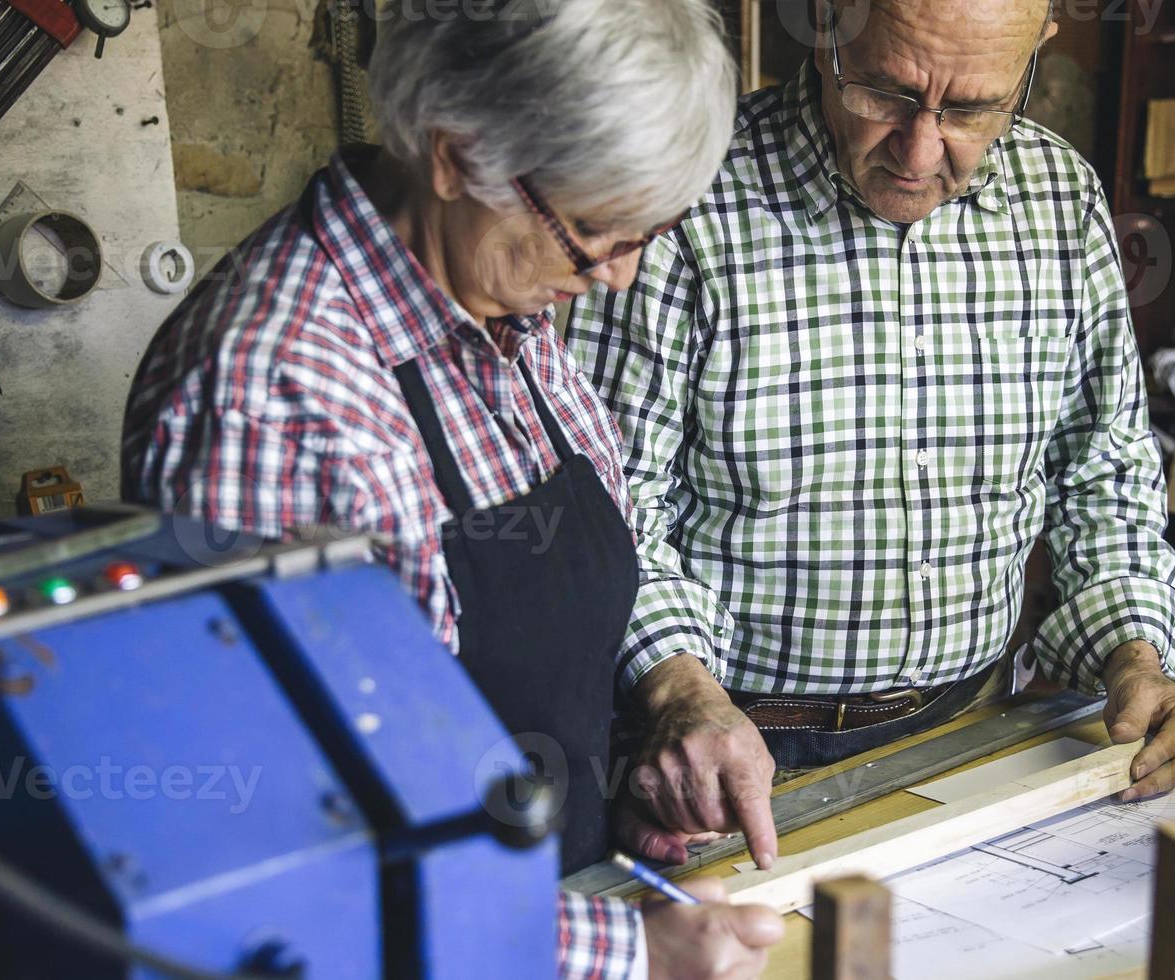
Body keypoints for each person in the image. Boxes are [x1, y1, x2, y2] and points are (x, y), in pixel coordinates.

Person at [120, 2, 780, 977]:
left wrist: (612, 771)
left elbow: (507, 664)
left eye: (648, 230)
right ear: (453, 154)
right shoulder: (268, 396)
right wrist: (626, 951)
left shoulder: (499, 292)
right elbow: (286, 850)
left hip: (547, 903)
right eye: (595, 230)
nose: (620, 276)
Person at [567, 0, 1175, 870]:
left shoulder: (1058, 199)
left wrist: (1135, 653)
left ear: (1034, 59)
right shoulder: (692, 189)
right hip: (729, 752)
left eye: (973, 108)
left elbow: (1101, 470)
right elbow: (607, 507)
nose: (918, 150)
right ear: (826, 26)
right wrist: (683, 693)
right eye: (884, 91)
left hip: (978, 726)